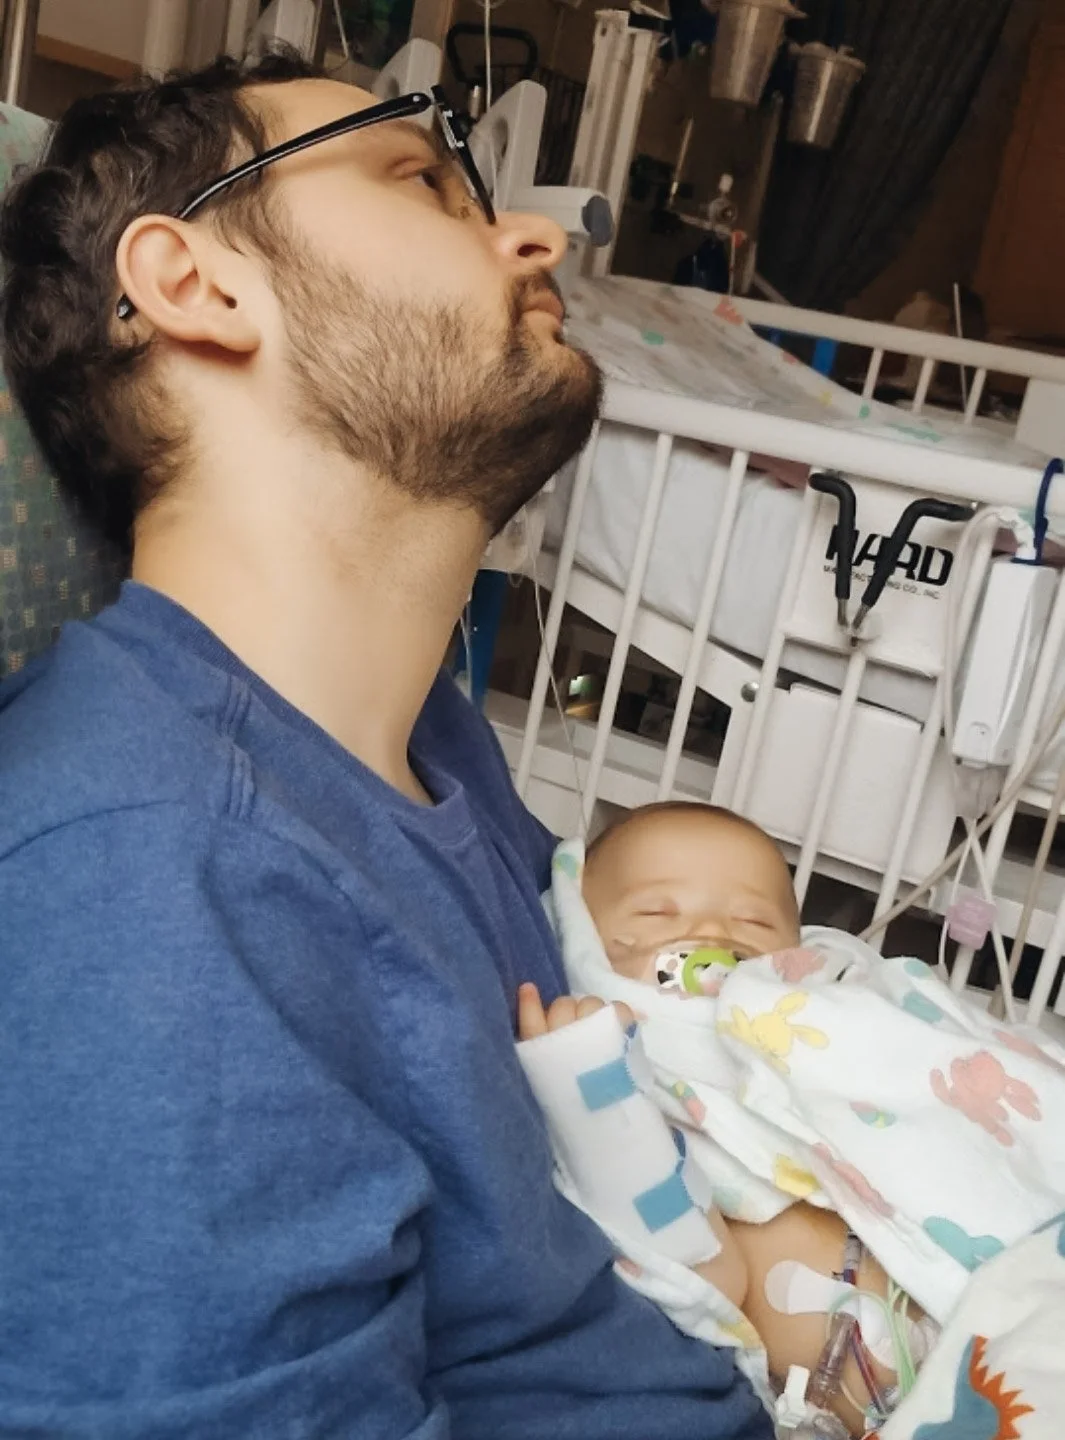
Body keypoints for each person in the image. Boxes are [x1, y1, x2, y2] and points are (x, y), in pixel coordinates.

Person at [0, 52, 773, 1440]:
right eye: (420, 179)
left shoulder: (420, 746)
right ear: (193, 286)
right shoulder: (146, 875)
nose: (530, 238)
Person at [517, 803, 930, 1436]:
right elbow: (700, 1267)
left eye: (754, 920)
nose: (713, 932)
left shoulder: (835, 1016)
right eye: (659, 913)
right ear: (584, 936)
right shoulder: (630, 1064)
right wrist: (599, 1096)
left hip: (972, 1304)